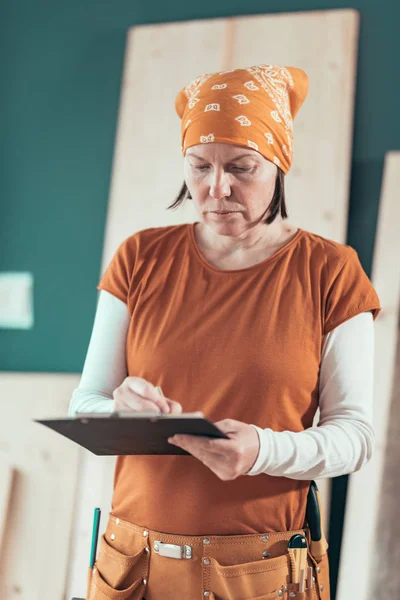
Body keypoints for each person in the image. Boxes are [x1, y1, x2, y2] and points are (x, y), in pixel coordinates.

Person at [69, 64, 381, 600]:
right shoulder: (139, 257)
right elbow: (87, 403)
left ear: (279, 163)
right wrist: (120, 412)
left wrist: (261, 450)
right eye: (198, 167)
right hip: (133, 566)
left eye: (242, 167)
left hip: (260, 575)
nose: (216, 189)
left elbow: (355, 438)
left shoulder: (330, 271)